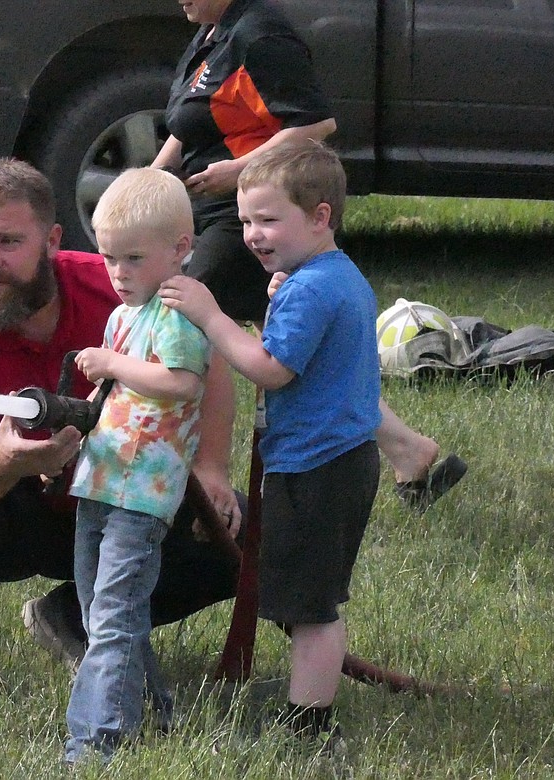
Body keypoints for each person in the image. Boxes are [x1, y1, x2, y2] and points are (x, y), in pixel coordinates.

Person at [0, 158, 245, 700]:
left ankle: (75, 617)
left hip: (128, 501)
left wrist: (212, 469)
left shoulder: (116, 284)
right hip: (19, 518)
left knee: (239, 538)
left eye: (9, 242)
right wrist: (10, 460)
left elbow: (211, 359)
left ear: (51, 240)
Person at [152, 0, 465, 509]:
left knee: (191, 316)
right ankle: (409, 449)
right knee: (299, 344)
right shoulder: (212, 33)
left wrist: (238, 173)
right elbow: (184, 127)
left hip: (251, 213)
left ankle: (196, 477)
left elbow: (316, 125)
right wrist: (149, 182)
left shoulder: (261, 35)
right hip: (222, 210)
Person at [161, 140, 380, 750]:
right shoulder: (331, 275)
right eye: (246, 220)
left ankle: (310, 727)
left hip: (318, 466)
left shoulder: (312, 288)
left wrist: (211, 316)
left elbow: (271, 368)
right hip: (336, 460)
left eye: (268, 219)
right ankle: (304, 708)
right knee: (306, 595)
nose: (253, 234)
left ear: (319, 217)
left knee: (311, 607)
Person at [63, 169, 209, 763]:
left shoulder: (176, 312)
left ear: (179, 250)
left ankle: (96, 743)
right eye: (108, 259)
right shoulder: (122, 317)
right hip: (100, 476)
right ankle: (152, 708)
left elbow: (181, 382)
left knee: (115, 610)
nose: (117, 273)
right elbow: (114, 400)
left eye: (132, 259)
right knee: (100, 608)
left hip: (142, 494)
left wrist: (113, 367)